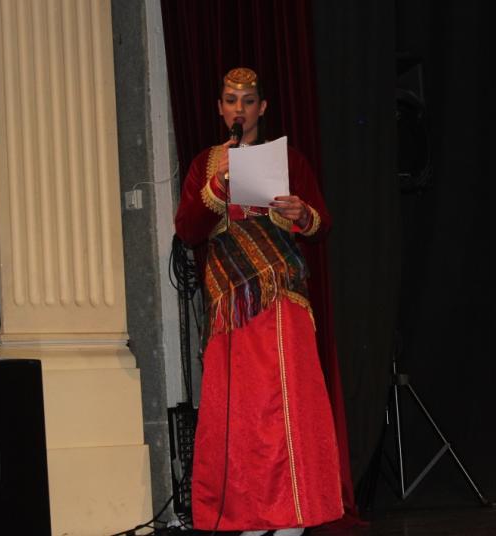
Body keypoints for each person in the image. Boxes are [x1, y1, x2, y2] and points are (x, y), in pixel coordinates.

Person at [175, 67, 343, 536]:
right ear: (219, 108)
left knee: (288, 403)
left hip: (281, 292)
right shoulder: (205, 164)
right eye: (231, 100)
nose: (239, 109)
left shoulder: (289, 160)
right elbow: (187, 230)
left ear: (261, 108)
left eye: (248, 101)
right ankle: (247, 517)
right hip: (230, 299)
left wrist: (301, 213)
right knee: (240, 411)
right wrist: (217, 185)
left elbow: (321, 224)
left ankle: (292, 516)